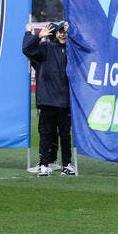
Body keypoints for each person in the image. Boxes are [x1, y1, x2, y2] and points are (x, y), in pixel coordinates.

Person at [22, 21, 76, 177]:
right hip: (48, 101)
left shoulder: (71, 50)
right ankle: (44, 165)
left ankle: (67, 164)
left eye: (64, 31)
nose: (62, 34)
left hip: (65, 101)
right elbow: (27, 49)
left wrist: (72, 32)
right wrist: (35, 36)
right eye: (59, 31)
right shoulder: (45, 48)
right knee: (46, 134)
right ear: (54, 34)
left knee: (65, 135)